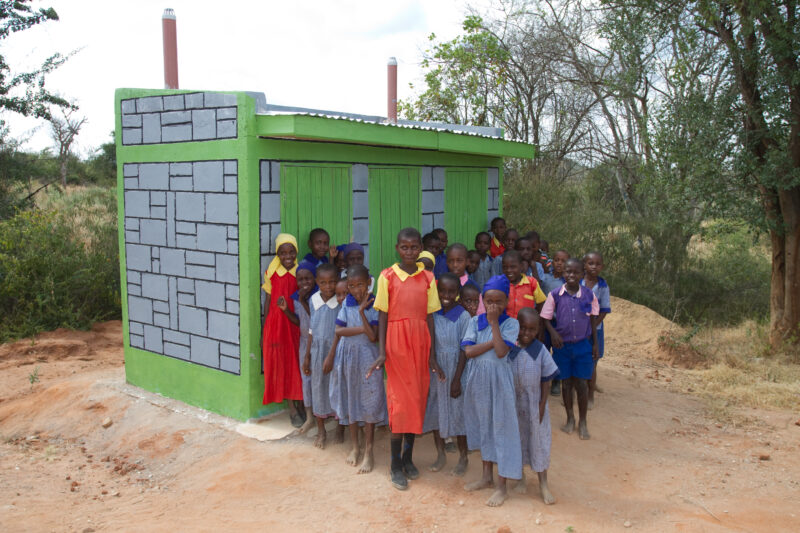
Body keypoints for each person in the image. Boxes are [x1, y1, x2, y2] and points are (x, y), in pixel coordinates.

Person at [369, 227, 442, 491]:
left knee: (416, 403)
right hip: (397, 345)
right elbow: (382, 316)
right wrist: (381, 352)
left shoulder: (428, 278)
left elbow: (431, 315)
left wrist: (432, 355)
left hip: (420, 343)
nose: (409, 252)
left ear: (420, 248)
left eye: (414, 247)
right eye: (405, 247)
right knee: (399, 406)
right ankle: (394, 465)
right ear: (397, 248)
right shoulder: (387, 277)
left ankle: (409, 459)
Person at [461, 275, 522, 507]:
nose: (492, 306)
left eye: (498, 301)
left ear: (506, 301)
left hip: (500, 382)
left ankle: (501, 486)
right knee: (484, 425)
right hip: (478, 381)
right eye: (488, 301)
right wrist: (488, 342)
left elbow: (500, 352)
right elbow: (468, 352)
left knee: (502, 429)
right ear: (482, 300)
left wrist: (494, 323)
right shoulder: (474, 322)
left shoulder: (511, 323)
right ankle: (486, 477)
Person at [325, 265, 387, 474]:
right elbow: (339, 330)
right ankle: (355, 447)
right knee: (351, 400)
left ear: (369, 283)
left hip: (368, 359)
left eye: (360, 285)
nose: (355, 290)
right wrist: (362, 326)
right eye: (351, 286)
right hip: (349, 358)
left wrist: (362, 313)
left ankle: (369, 451)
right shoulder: (347, 304)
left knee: (369, 402)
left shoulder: (375, 304)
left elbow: (373, 337)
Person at [540, 258, 599, 440]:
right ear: (563, 273)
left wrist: (594, 344)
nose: (571, 275)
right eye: (568, 272)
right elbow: (545, 318)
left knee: (581, 384)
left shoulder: (589, 295)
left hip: (583, 345)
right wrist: (553, 333)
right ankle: (570, 418)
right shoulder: (555, 295)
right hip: (562, 346)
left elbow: (593, 321)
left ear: (582, 274)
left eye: (575, 272)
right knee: (566, 384)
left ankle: (583, 421)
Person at [509, 308, 559, 505]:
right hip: (514, 404)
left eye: (531, 329)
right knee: (518, 440)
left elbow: (546, 380)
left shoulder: (540, 350)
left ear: (538, 330)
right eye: (522, 328)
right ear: (516, 327)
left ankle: (543, 484)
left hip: (534, 405)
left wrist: (541, 404)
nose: (526, 333)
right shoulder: (510, 348)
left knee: (538, 442)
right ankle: (520, 477)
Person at [423, 273, 471, 476]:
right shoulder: (432, 313)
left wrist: (457, 380)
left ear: (458, 294)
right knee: (436, 410)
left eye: (452, 291)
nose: (446, 295)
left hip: (456, 370)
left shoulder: (464, 316)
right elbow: (429, 340)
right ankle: (440, 453)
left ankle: (463, 457)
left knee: (459, 413)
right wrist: (433, 361)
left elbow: (464, 350)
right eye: (442, 291)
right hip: (436, 370)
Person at [262, 233, 304, 426]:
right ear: (277, 254)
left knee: (298, 360)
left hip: (295, 322)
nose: (287, 256)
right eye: (282, 252)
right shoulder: (271, 271)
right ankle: (292, 408)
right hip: (278, 324)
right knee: (283, 363)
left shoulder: (301, 271)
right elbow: (268, 299)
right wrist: (265, 326)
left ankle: (301, 400)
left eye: (291, 251)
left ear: (296, 251)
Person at [300, 263, 340, 448]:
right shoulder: (314, 300)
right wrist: (307, 355)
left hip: (336, 352)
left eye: (332, 282)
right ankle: (321, 431)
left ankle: (341, 425)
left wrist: (332, 355)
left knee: (337, 388)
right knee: (318, 389)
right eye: (323, 283)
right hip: (317, 352)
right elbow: (311, 329)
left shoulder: (341, 302)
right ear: (317, 282)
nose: (328, 286)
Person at [581, 251, 611, 409]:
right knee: (577, 359)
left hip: (595, 330)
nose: (594, 267)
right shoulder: (577, 281)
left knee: (593, 361)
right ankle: (574, 392)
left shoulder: (603, 286)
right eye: (590, 263)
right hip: (577, 329)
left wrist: (592, 327)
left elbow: (605, 309)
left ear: (602, 266)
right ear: (584, 264)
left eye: (597, 264)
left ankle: (590, 394)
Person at [292, 261, 318, 434]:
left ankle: (324, 413)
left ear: (315, 279)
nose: (304, 283)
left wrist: (303, 300)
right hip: (304, 344)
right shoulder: (295, 298)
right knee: (307, 380)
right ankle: (310, 417)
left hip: (319, 343)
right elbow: (299, 321)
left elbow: (314, 320)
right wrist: (287, 310)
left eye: (308, 278)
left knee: (320, 380)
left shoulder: (319, 297)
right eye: (300, 279)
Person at [501, 250, 547, 319]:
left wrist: (536, 320)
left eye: (513, 267)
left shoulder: (532, 283)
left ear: (521, 266)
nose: (508, 270)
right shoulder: (500, 283)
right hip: (506, 326)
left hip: (526, 326)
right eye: (505, 267)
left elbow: (541, 303)